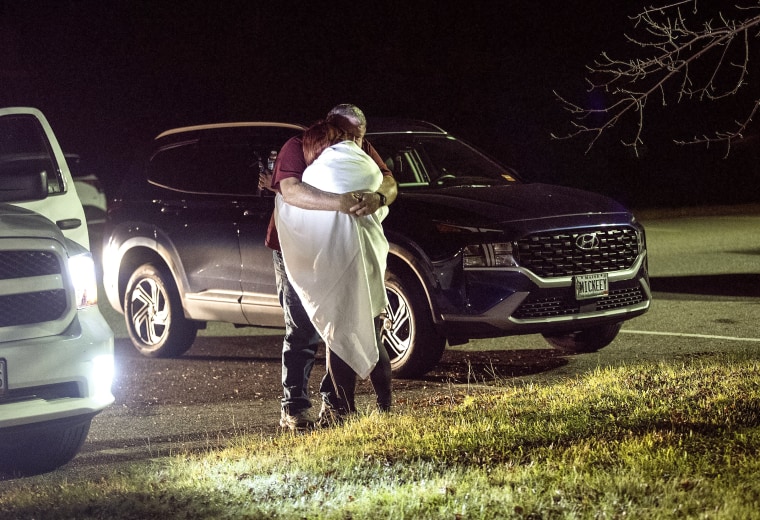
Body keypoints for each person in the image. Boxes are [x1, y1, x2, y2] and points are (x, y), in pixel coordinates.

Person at [263, 104, 397, 431]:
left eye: (360, 137)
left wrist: (378, 198)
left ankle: (337, 405)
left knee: (343, 321)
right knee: (303, 328)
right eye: (349, 134)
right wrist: (341, 202)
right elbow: (291, 191)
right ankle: (294, 407)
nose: (355, 142)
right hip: (299, 249)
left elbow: (389, 182)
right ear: (331, 127)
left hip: (343, 246)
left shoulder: (361, 148)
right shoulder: (298, 147)